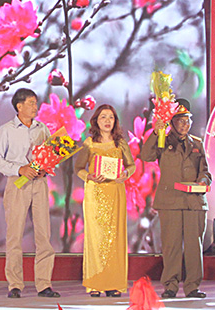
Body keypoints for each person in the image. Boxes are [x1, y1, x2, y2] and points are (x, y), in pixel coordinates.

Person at [0, 88, 60, 299]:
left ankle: (44, 284)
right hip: (17, 183)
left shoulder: (43, 129)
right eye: (31, 103)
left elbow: (51, 155)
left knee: (44, 235)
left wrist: (49, 163)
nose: (35, 107)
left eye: (35, 103)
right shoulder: (6, 130)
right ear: (19, 106)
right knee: (14, 235)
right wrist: (20, 169)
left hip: (39, 183)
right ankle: (15, 284)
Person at [139, 98, 211, 299]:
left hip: (194, 202)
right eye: (180, 120)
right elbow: (145, 156)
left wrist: (203, 180)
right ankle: (170, 285)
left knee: (193, 247)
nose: (185, 124)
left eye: (187, 120)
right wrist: (155, 132)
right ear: (171, 122)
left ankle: (193, 286)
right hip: (170, 201)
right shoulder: (163, 140)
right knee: (171, 246)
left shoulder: (197, 143)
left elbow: (205, 171)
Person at [74, 104, 135, 297]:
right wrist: (89, 177)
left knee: (115, 238)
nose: (107, 121)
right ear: (96, 121)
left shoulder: (121, 143)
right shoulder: (89, 143)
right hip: (95, 194)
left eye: (111, 117)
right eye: (103, 117)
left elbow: (131, 165)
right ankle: (95, 284)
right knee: (96, 238)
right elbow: (79, 168)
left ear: (115, 121)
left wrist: (126, 174)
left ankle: (114, 284)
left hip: (116, 192)